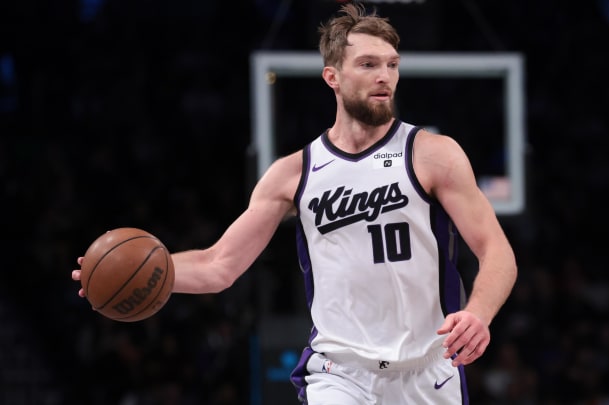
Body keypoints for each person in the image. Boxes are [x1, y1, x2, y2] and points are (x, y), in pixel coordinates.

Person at [72, 3, 517, 404]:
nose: (385, 76)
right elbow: (218, 265)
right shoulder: (293, 173)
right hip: (340, 376)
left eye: (392, 64)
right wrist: (147, 272)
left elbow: (497, 252)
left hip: (429, 372)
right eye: (368, 64)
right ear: (332, 76)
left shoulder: (433, 154)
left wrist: (478, 314)